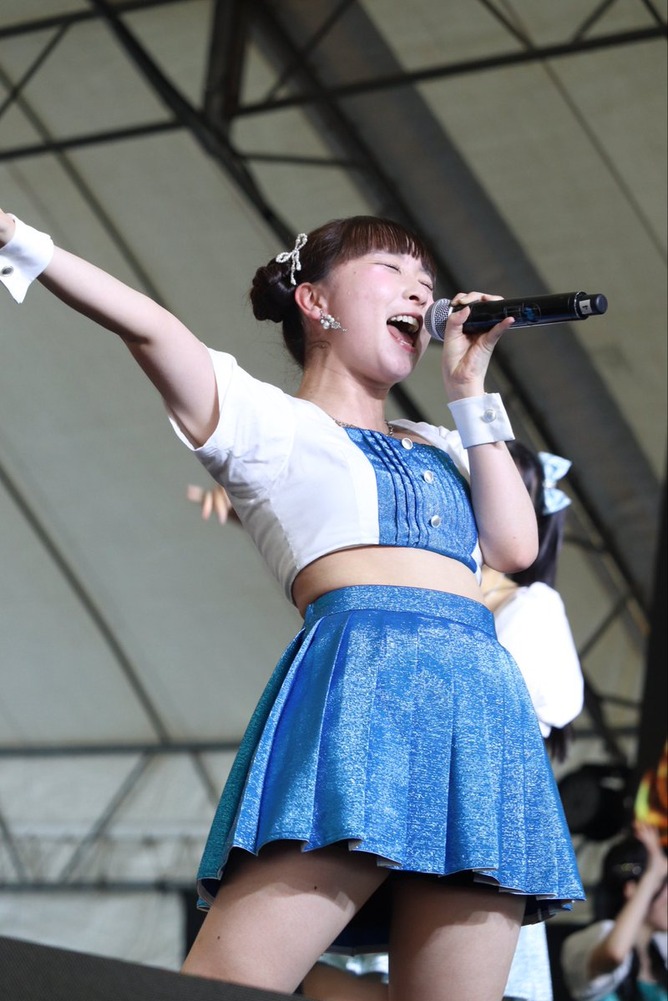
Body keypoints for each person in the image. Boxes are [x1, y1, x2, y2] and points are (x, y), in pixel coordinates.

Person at [0, 210, 584, 999]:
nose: (421, 291)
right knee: (229, 984)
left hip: (479, 715)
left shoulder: (444, 443)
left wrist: (468, 391)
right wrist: (21, 239)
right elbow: (148, 325)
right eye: (391, 271)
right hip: (363, 698)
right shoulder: (263, 423)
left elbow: (514, 547)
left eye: (426, 280)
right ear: (315, 301)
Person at [560, 822, 667, 1001]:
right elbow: (615, 954)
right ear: (632, 889)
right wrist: (652, 875)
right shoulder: (593, 937)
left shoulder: (660, 954)